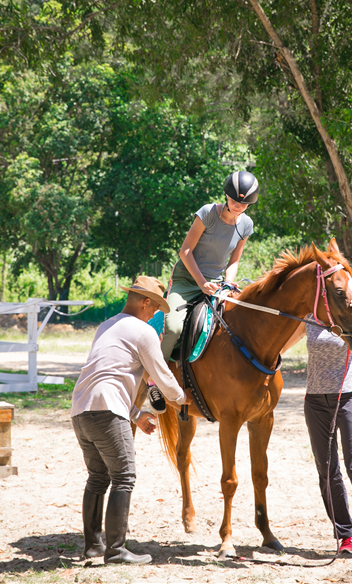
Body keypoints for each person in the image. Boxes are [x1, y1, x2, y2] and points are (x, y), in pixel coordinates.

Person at [70, 275, 191, 564]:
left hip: (81, 409)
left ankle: (93, 546)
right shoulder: (142, 331)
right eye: (154, 309)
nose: (154, 315)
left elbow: (108, 373)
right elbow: (160, 375)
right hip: (107, 410)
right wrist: (184, 398)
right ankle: (116, 550)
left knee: (98, 478)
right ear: (145, 302)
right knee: (123, 477)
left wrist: (136, 415)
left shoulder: (107, 325)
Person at [282, 292, 352, 562]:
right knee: (327, 470)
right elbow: (281, 346)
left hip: (348, 398)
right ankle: (346, 535)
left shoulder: (351, 315)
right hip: (315, 401)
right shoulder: (309, 318)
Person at [159, 170, 258, 362]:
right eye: (234, 202)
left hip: (216, 285)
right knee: (174, 329)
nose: (238, 207)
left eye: (244, 204)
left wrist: (228, 284)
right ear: (227, 196)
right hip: (187, 280)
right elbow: (185, 251)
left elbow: (234, 261)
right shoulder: (208, 213)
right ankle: (153, 379)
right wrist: (201, 283)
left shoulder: (246, 225)